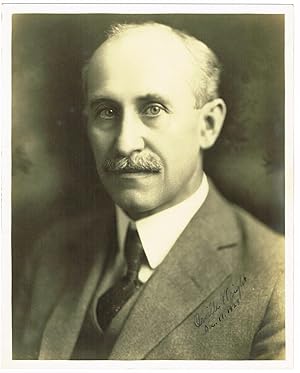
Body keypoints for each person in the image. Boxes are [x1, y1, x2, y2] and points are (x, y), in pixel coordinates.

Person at [12, 21, 284, 360]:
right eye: (106, 112)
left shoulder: (278, 277)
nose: (125, 143)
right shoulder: (47, 256)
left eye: (153, 109)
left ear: (208, 125)